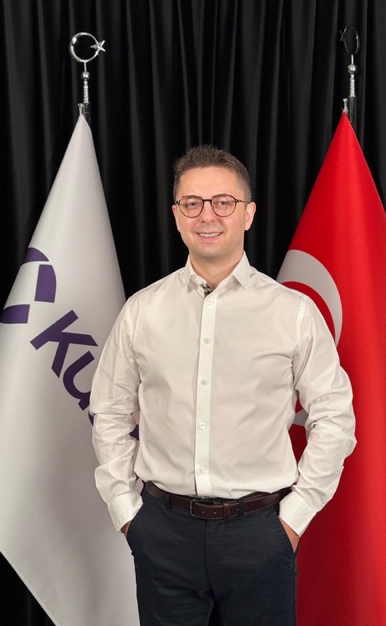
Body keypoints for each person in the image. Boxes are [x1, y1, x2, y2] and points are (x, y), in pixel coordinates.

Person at [90, 145, 356, 626]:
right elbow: (109, 411)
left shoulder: (292, 313)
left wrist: (294, 517)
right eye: (192, 203)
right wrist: (126, 510)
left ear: (248, 213)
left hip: (261, 533)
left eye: (223, 202)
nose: (207, 215)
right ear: (177, 215)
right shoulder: (142, 311)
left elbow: (334, 416)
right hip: (162, 532)